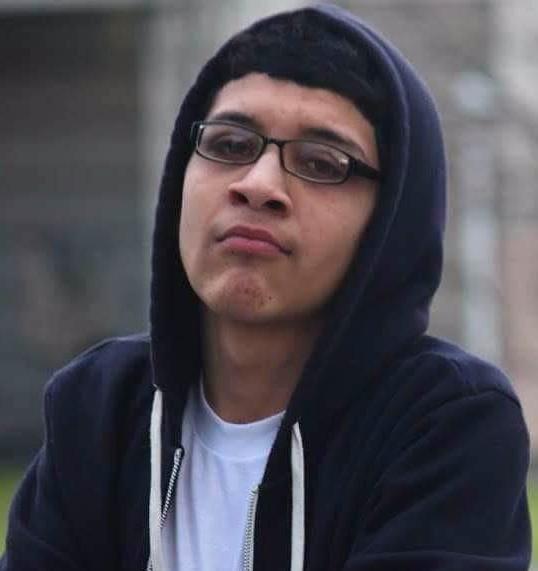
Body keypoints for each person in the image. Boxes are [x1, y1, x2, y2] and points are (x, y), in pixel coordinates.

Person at [1, 4, 531, 571]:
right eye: (230, 145)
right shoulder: (97, 407)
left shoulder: (444, 422)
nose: (258, 185)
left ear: (390, 223)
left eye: (321, 163)